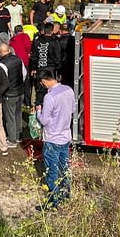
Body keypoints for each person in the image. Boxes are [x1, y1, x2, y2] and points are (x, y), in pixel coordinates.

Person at [36, 69, 76, 209]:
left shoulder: (49, 97)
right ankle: (65, 196)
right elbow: (72, 109)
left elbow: (45, 120)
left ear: (44, 81)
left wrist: (38, 112)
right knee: (64, 169)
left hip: (52, 139)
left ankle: (53, 203)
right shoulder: (68, 90)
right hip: (65, 137)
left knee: (52, 172)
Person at [0, 43, 25, 147]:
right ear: (9, 50)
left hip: (10, 93)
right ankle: (19, 135)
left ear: (0, 52)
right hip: (20, 91)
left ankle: (12, 139)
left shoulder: (2, 64)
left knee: (10, 117)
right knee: (18, 114)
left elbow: (3, 81)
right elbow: (24, 73)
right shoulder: (18, 59)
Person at [29, 23, 62, 107]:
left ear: (43, 30)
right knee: (51, 90)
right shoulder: (54, 42)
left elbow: (33, 57)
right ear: (52, 31)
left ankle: (39, 110)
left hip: (40, 68)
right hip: (50, 69)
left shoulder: (37, 42)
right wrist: (59, 70)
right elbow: (58, 58)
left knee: (40, 91)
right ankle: (49, 109)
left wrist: (33, 68)